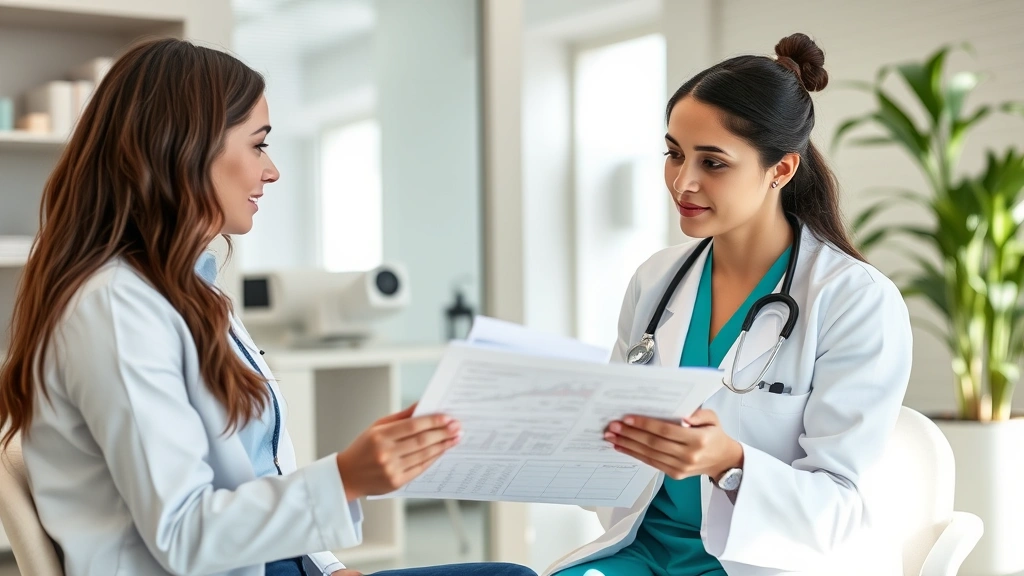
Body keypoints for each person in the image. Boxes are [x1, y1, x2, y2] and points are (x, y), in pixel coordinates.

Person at [0, 38, 535, 576]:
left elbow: (261, 471)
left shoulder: (192, 293)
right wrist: (348, 476)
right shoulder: (114, 310)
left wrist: (327, 568)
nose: (272, 170)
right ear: (186, 149)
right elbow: (183, 535)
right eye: (258, 145)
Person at [545, 33, 912, 576]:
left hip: (762, 562)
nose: (681, 182)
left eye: (713, 163)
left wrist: (730, 463)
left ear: (780, 171)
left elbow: (842, 510)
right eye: (674, 154)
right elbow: (613, 451)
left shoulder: (854, 301)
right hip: (643, 553)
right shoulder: (656, 279)